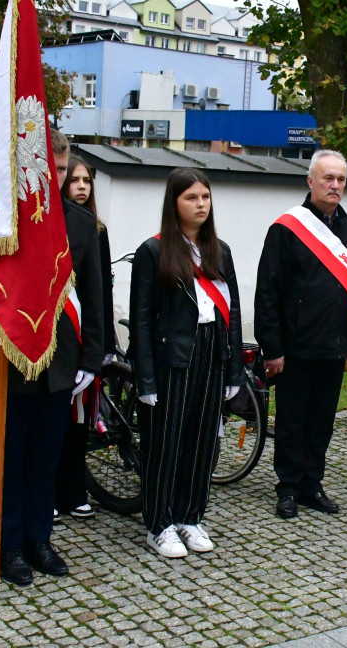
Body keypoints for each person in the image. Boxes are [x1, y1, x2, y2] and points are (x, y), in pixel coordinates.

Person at [0, 129, 104, 585]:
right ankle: (7, 543)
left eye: (64, 171)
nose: (59, 177)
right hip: (9, 357)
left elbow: (94, 294)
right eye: (51, 169)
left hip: (60, 360)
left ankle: (38, 537)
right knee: (10, 457)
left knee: (47, 455)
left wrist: (92, 356)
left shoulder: (81, 224)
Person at [255, 149, 347, 519]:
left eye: (341, 179)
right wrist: (272, 348)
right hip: (295, 347)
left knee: (321, 421)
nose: (335, 185)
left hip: (335, 346)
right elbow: (268, 291)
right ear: (311, 181)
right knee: (292, 421)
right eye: (328, 178)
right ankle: (287, 487)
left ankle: (312, 484)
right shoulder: (287, 228)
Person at [131, 168, 242, 557]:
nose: (200, 205)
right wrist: (145, 379)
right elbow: (141, 319)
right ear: (174, 203)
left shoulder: (220, 250)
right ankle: (158, 523)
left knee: (201, 442)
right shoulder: (153, 251)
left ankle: (190, 517)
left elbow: (233, 312)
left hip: (212, 351)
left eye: (205, 198)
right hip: (172, 356)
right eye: (191, 198)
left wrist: (233, 367)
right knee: (166, 442)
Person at [53, 155, 116, 521]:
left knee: (78, 422)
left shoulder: (96, 228)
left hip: (84, 336)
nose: (80, 186)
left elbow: (99, 290)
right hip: (57, 336)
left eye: (86, 180)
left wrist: (102, 342)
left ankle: (73, 490)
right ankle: (50, 490)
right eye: (72, 178)